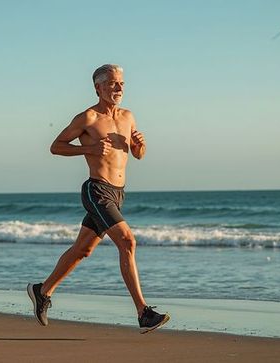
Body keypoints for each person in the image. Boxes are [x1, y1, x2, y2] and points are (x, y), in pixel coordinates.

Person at [27, 64, 170, 334]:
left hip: (118, 193)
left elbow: (138, 155)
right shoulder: (88, 118)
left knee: (83, 250)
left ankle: (42, 291)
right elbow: (56, 146)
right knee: (128, 241)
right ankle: (143, 312)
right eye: (113, 83)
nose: (119, 88)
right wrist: (90, 148)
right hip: (97, 191)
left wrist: (140, 145)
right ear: (98, 87)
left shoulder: (128, 117)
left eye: (122, 84)